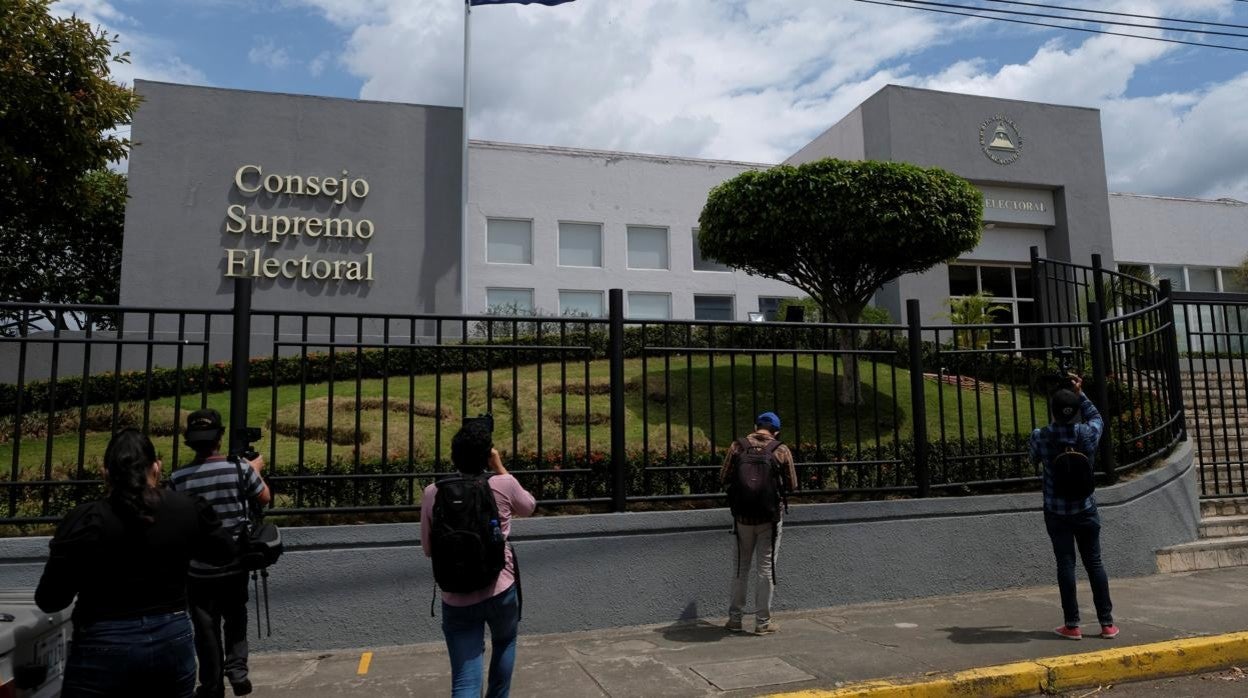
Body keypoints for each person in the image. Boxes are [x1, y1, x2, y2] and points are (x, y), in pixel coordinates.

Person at [36, 429, 236, 698]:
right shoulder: (187, 509)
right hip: (171, 635)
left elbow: (51, 598)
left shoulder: (86, 520)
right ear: (157, 467)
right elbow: (223, 552)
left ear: (105, 472)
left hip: (104, 638)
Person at [421, 420, 536, 698]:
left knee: (465, 679)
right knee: (505, 642)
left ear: (454, 456)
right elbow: (529, 507)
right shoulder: (503, 484)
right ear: (487, 455)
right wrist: (499, 467)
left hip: (456, 596)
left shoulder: (433, 492)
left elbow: (428, 548)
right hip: (500, 586)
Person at [168, 408, 271, 698]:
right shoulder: (239, 468)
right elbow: (264, 498)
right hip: (235, 561)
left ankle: (211, 683)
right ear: (219, 437)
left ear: (190, 440)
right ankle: (237, 673)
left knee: (205, 627)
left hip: (197, 567)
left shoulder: (179, 478)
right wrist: (255, 470)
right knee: (236, 618)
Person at [1029, 375, 1119, 641]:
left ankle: (1072, 624)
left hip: (1056, 511)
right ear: (1075, 411)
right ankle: (1107, 623)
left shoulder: (1041, 436)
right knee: (1095, 563)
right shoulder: (1087, 433)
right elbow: (1099, 419)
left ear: (1054, 412)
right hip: (1086, 508)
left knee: (1066, 565)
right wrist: (1081, 394)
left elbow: (1033, 458)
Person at [720, 411, 798, 635]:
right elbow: (792, 484)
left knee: (740, 567)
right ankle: (762, 622)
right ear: (776, 431)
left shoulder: (738, 446)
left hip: (742, 517)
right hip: (769, 518)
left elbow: (724, 477)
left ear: (755, 426)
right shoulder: (780, 449)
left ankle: (735, 619)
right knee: (765, 568)